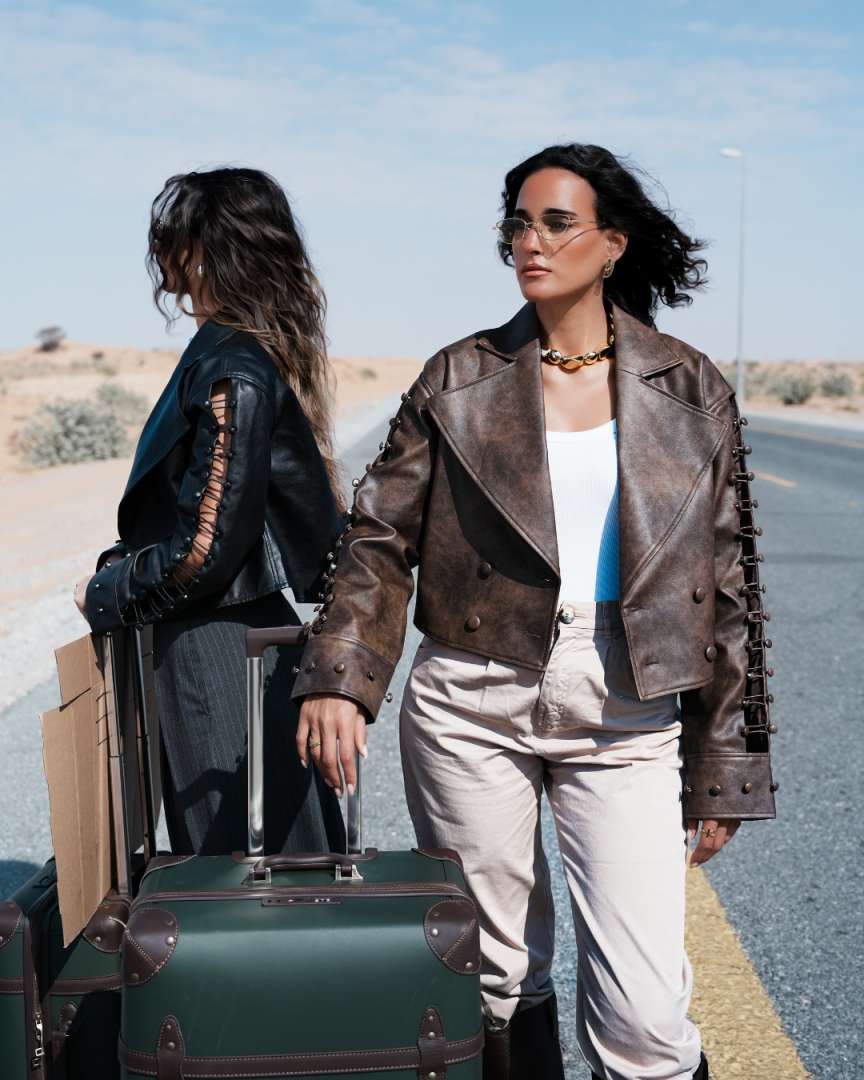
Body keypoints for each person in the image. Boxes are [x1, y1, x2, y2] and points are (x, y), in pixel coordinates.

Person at [291, 144, 778, 1079]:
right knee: (496, 979)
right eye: (518, 220)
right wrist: (341, 677)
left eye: (558, 222)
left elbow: (728, 591)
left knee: (644, 1013)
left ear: (614, 244)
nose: (530, 239)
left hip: (626, 707)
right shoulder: (457, 378)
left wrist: (726, 768)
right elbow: (378, 538)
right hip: (470, 698)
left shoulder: (690, 390)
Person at [74, 167, 345, 856]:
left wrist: (105, 591)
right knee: (273, 866)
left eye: (177, 243)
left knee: (238, 873)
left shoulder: (234, 367)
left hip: (217, 646)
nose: (167, 263)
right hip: (233, 636)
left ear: (207, 252)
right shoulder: (239, 355)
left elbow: (206, 550)